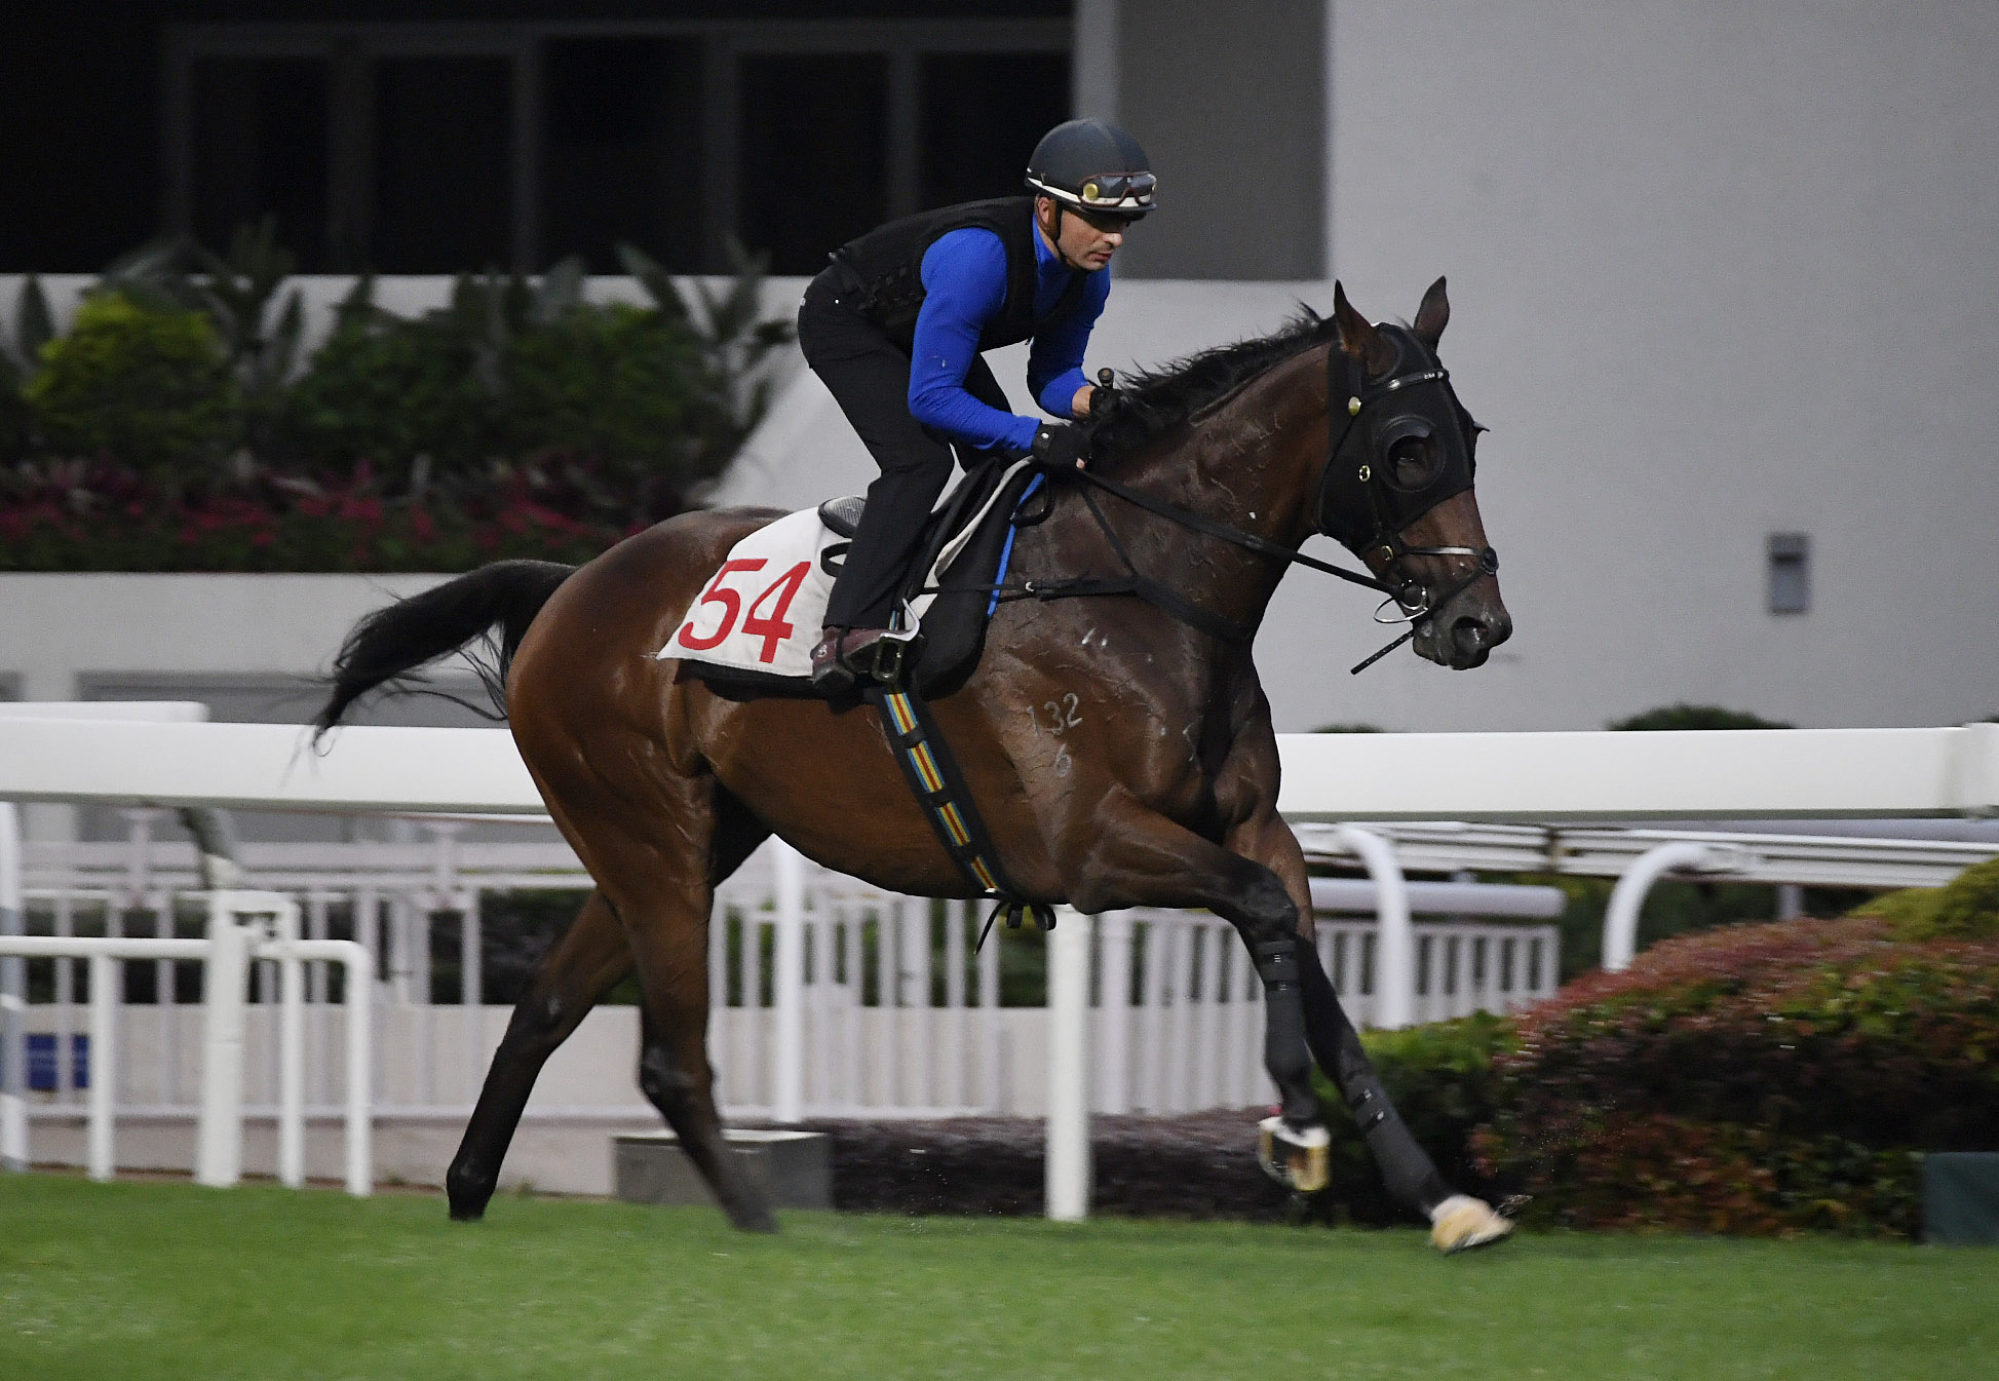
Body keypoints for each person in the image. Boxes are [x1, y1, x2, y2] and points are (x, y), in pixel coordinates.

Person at [799, 117, 1156, 691]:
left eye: (1124, 223)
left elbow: (1054, 378)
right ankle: (847, 631)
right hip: (848, 321)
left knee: (1004, 466)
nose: (1114, 238)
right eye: (1100, 219)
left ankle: (928, 568)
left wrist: (1099, 405)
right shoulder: (979, 257)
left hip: (920, 330)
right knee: (921, 461)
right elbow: (932, 400)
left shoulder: (1090, 280)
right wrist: (1039, 436)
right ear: (1047, 211)